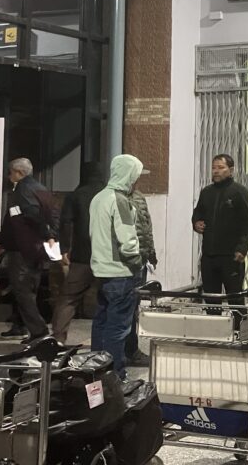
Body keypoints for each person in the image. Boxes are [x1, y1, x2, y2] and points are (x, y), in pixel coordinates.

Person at [89, 154, 145, 379]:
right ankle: (115, 376)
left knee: (101, 323)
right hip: (121, 271)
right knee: (118, 327)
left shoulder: (98, 198)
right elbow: (128, 239)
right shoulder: (119, 200)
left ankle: (95, 370)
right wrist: (137, 263)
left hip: (101, 270)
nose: (137, 181)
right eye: (136, 176)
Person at [0, 157, 56, 341]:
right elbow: (53, 215)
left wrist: (46, 233)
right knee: (31, 288)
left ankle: (38, 331)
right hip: (38, 248)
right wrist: (51, 235)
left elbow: (31, 215)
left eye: (10, 172)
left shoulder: (22, 190)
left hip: (22, 248)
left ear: (19, 173)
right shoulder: (42, 189)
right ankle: (19, 325)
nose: (9, 177)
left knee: (22, 290)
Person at [192, 154, 248, 314]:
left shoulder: (239, 192)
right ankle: (215, 327)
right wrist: (196, 223)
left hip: (231, 256)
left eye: (221, 168)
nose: (216, 171)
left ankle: (239, 327)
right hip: (209, 256)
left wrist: (242, 248)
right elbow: (198, 213)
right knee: (211, 300)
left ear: (231, 170)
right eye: (214, 168)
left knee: (235, 299)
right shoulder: (206, 192)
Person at [51, 161, 104, 344]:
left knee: (68, 299)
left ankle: (58, 339)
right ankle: (102, 343)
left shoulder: (75, 195)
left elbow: (66, 223)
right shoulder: (109, 195)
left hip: (81, 257)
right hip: (106, 258)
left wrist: (65, 249)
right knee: (106, 300)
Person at [125, 173, 157, 367]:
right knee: (124, 310)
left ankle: (131, 349)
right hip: (126, 262)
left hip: (141, 259)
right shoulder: (116, 198)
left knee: (134, 308)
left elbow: (146, 226)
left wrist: (151, 252)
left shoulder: (139, 197)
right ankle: (124, 352)